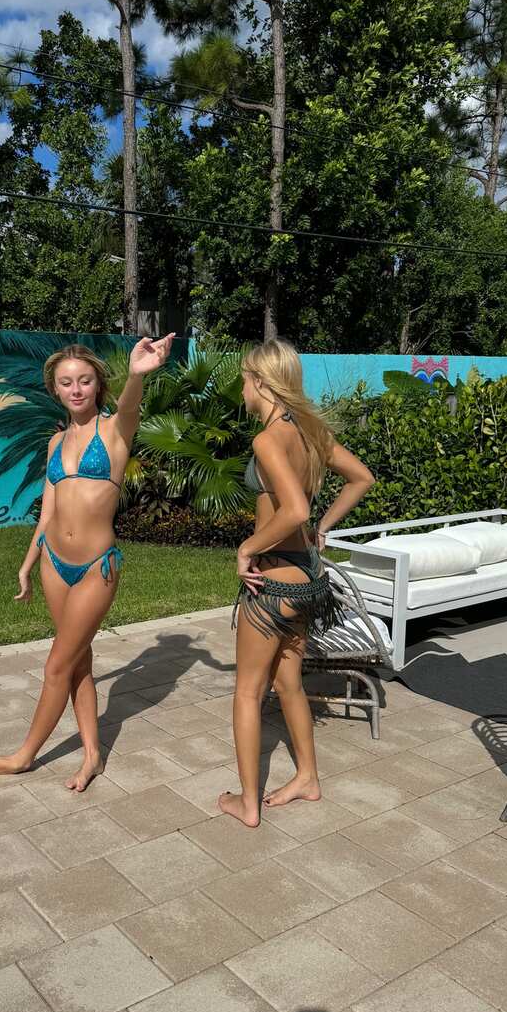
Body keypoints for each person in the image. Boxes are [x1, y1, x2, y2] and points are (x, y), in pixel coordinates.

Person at [0, 335, 174, 791]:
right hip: (53, 563)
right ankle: (92, 756)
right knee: (78, 662)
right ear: (55, 389)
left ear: (98, 385)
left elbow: (129, 407)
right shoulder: (55, 443)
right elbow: (47, 513)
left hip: (95, 568)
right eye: (66, 383)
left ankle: (24, 756)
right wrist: (27, 563)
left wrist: (137, 374)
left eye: (84, 380)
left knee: (56, 667)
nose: (76, 389)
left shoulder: (115, 431)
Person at [220, 339, 376, 828]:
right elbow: (362, 478)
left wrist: (247, 548)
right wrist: (324, 528)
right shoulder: (310, 432)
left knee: (248, 693)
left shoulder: (268, 439)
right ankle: (307, 777)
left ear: (261, 382)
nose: (242, 389)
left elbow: (294, 510)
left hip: (275, 581)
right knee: (287, 682)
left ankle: (248, 803)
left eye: (245, 379)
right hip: (308, 576)